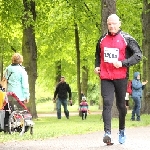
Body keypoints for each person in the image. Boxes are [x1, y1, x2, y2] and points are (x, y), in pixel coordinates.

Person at [94, 14, 142, 145]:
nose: (111, 26)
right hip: (106, 77)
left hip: (121, 77)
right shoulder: (102, 39)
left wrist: (123, 63)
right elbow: (97, 56)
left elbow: (138, 55)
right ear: (107, 24)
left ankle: (121, 130)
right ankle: (107, 133)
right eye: (109, 24)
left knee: (121, 106)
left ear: (119, 24)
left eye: (114, 24)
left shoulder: (127, 38)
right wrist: (97, 66)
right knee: (107, 103)